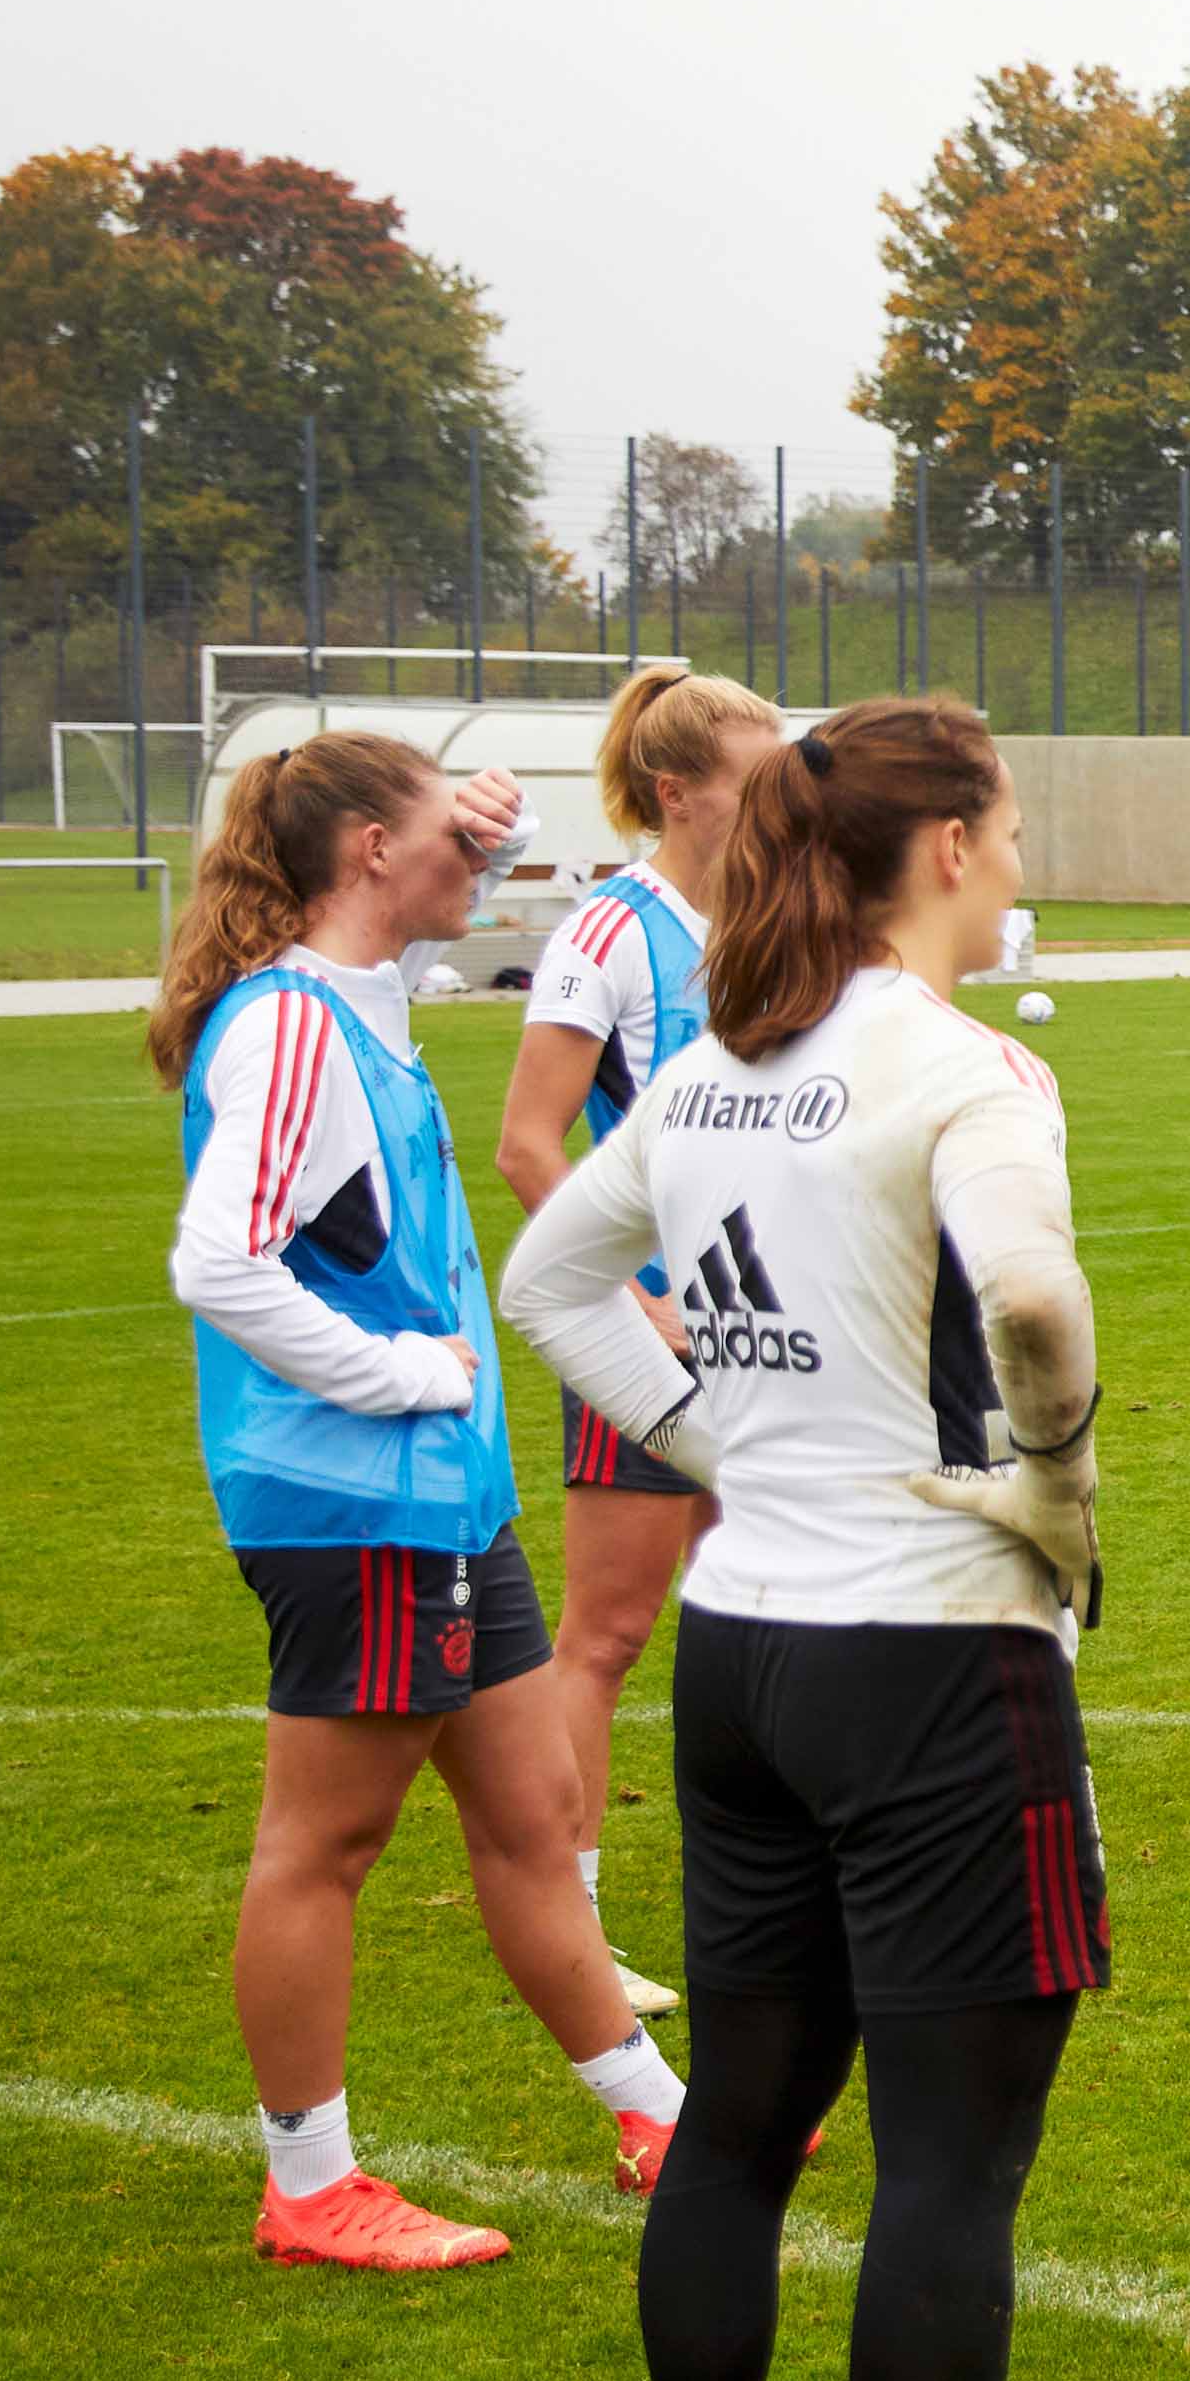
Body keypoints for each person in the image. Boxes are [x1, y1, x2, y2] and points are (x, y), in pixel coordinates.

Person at [505, 696, 1183, 2381]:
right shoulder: (961, 1066)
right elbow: (1037, 1303)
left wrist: (721, 1440)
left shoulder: (719, 1064)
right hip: (929, 1648)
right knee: (950, 2157)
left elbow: (551, 1277)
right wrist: (1055, 1465)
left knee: (742, 2113)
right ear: (953, 840)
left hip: (750, 1644)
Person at [156, 733, 683, 2270]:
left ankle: (660, 2112)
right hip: (357, 1493)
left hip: (442, 1498)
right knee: (324, 1843)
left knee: (532, 1819)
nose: (486, 864)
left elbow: (434, 909)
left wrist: (486, 833)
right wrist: (400, 1374)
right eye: (449, 837)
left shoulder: (358, 1000)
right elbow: (220, 1259)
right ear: (373, 847)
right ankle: (311, 2184)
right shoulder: (294, 1028)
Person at [504, 661, 785, 2026]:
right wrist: (636, 1301)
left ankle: (800, 1880)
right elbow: (526, 1142)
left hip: (774, 1336)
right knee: (609, 1634)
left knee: (794, 1601)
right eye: (754, 777)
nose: (780, 799)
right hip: (647, 1340)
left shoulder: (778, 921)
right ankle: (574, 1916)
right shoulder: (610, 932)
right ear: (678, 792)